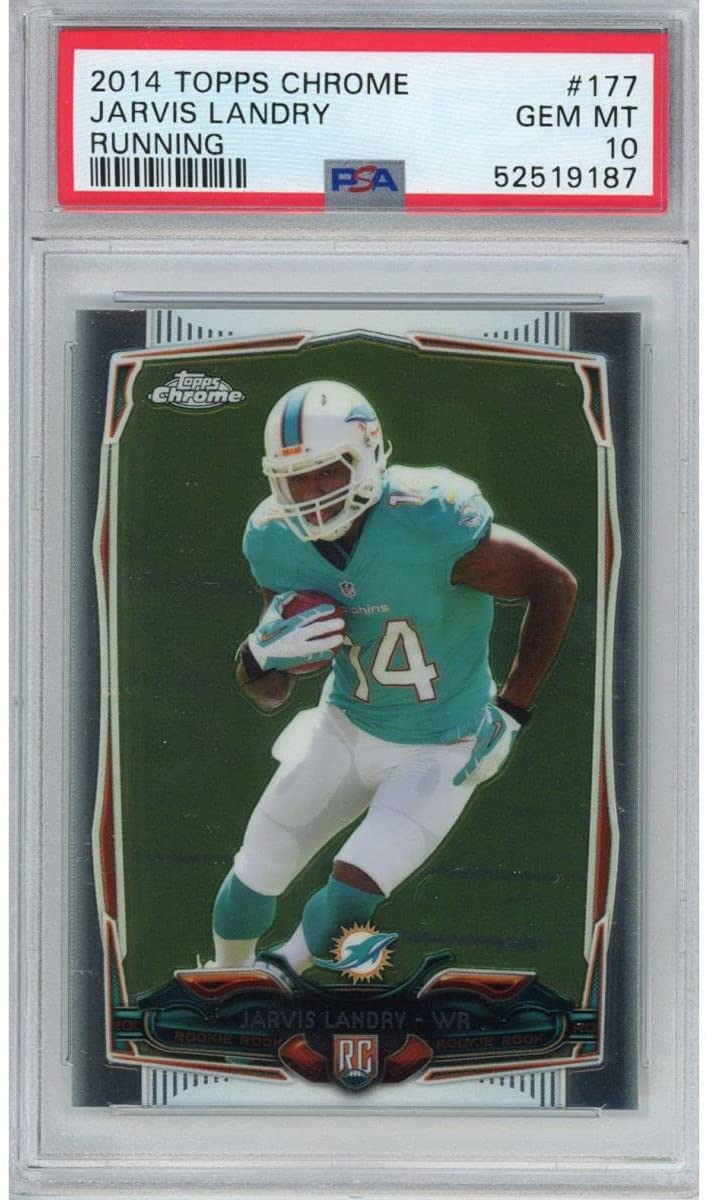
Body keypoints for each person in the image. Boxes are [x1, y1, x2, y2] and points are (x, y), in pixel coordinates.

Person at [211, 380, 577, 974]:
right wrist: (257, 654)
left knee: (349, 896)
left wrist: (511, 712)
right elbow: (271, 694)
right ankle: (225, 978)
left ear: (367, 454)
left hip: (442, 744)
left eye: (327, 471)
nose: (313, 493)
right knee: (253, 875)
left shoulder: (431, 517)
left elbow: (554, 584)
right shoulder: (274, 539)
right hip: (343, 726)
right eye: (296, 477)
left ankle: (278, 976)